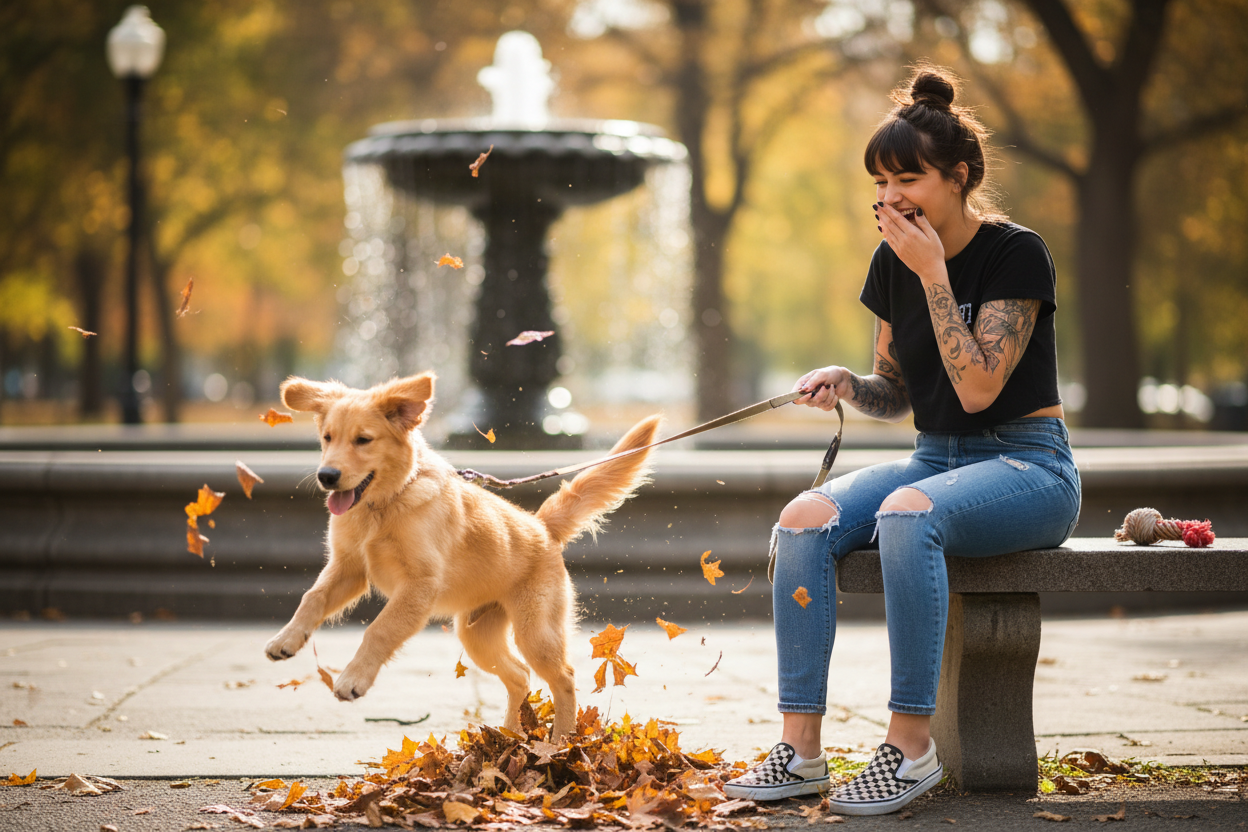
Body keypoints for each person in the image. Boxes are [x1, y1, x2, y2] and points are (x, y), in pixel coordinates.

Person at [723, 65, 1081, 815]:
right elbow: (900, 392)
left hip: (1028, 465)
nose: (889, 200)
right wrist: (851, 384)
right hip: (933, 461)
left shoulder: (1016, 253)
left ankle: (911, 746)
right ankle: (801, 751)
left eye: (906, 180)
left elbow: (980, 387)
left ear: (958, 177)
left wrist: (934, 276)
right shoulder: (892, 261)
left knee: (908, 513)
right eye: (880, 184)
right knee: (803, 519)